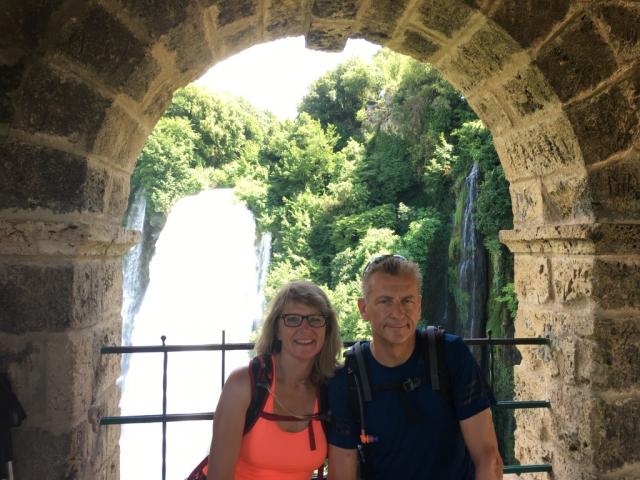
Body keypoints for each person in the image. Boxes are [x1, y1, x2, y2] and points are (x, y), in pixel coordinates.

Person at [328, 254, 503, 480]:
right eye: (385, 301)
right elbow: (342, 472)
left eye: (407, 301)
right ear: (363, 309)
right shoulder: (348, 379)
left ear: (419, 306)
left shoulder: (450, 355)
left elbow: (488, 459)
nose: (398, 313)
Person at [207, 280, 342, 480]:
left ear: (327, 330)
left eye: (315, 319)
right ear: (277, 329)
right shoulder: (243, 384)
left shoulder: (330, 389)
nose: (305, 328)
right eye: (293, 319)